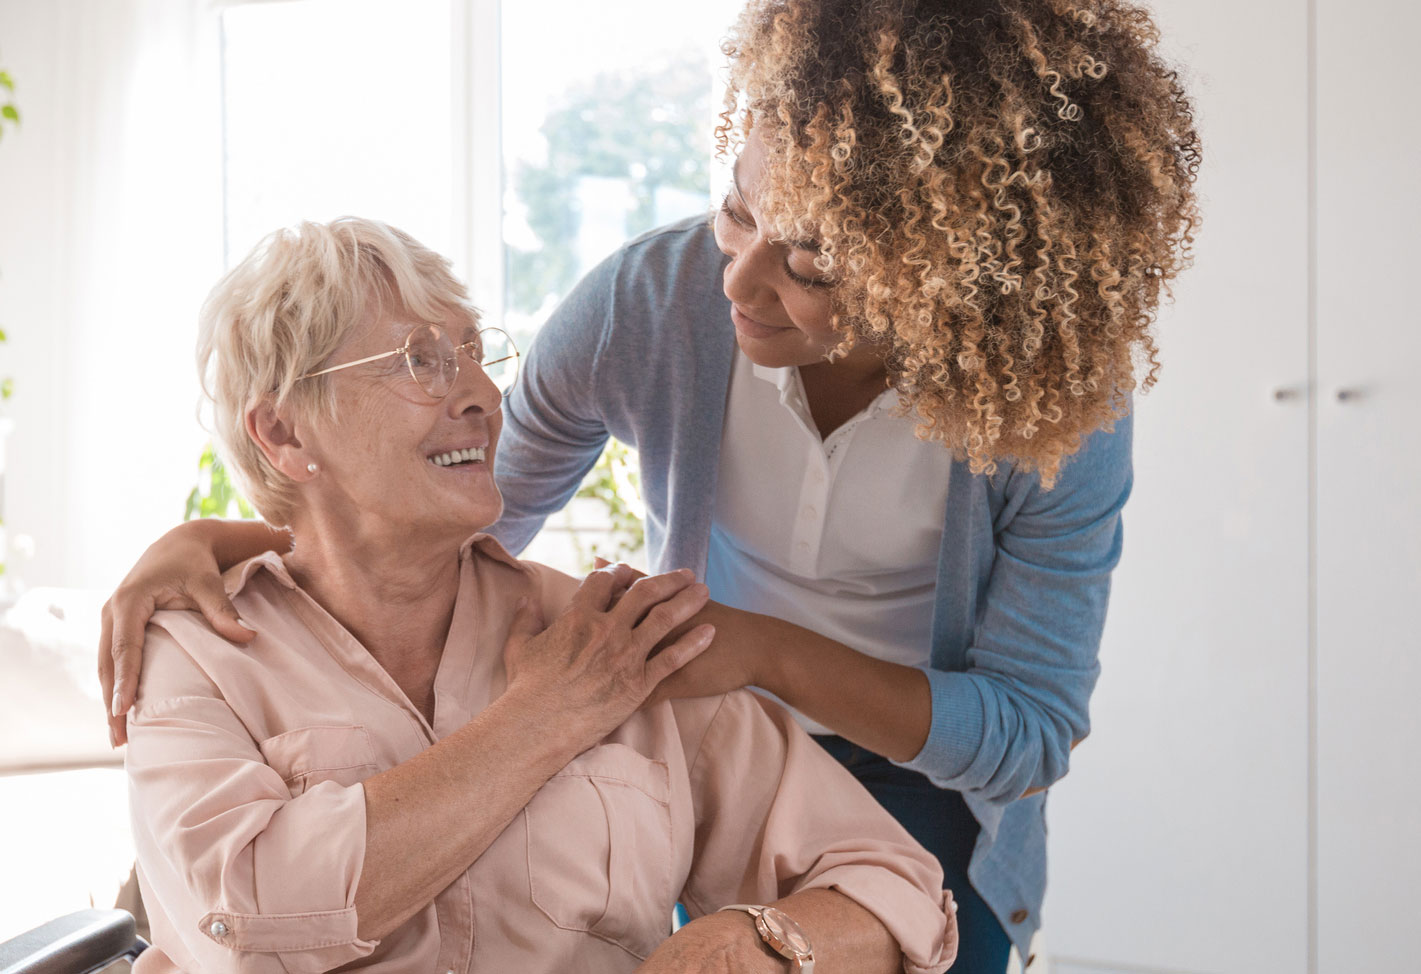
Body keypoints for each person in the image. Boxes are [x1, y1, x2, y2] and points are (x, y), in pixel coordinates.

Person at [102, 2, 1200, 970]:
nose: (737, 276)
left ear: (942, 273)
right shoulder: (652, 304)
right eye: (735, 211)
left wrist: (759, 656)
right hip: (694, 697)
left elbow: (1026, 726)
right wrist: (237, 534)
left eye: (809, 259)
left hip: (896, 760)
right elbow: (455, 510)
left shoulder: (1052, 403)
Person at [124, 216, 957, 974]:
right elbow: (246, 924)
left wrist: (755, 944)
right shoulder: (198, 649)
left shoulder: (610, 639)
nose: (483, 396)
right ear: (283, 432)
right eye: (418, 360)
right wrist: (543, 717)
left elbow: (899, 888)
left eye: (473, 352)